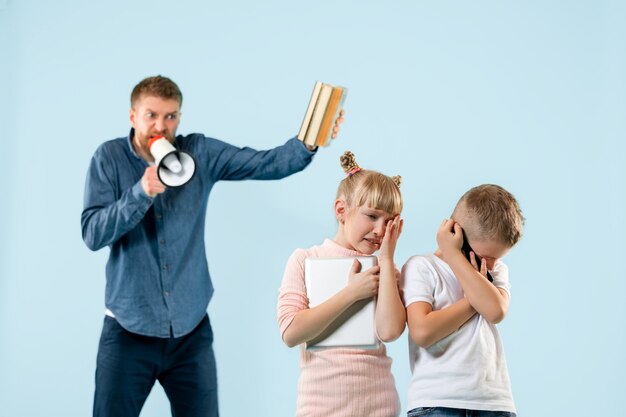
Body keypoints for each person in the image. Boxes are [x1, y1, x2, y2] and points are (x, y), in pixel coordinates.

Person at [81, 75, 343, 417]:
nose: (161, 125)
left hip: (190, 333)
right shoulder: (109, 158)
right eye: (152, 116)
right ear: (133, 116)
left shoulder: (199, 152)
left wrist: (311, 141)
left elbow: (266, 163)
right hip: (129, 330)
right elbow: (92, 234)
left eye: (171, 116)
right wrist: (139, 193)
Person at [277, 151, 406, 417]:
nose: (380, 231)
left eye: (389, 221)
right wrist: (352, 294)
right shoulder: (306, 258)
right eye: (372, 216)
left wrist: (387, 258)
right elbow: (291, 332)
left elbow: (390, 331)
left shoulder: (386, 269)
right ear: (341, 210)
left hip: (380, 406)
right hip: (320, 408)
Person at [402, 184, 524, 417]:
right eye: (486, 257)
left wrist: (457, 260)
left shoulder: (496, 271)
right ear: (456, 236)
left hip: (493, 403)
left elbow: (496, 311)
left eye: (497, 259)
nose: (491, 266)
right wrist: (452, 255)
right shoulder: (422, 267)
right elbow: (422, 332)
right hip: (436, 401)